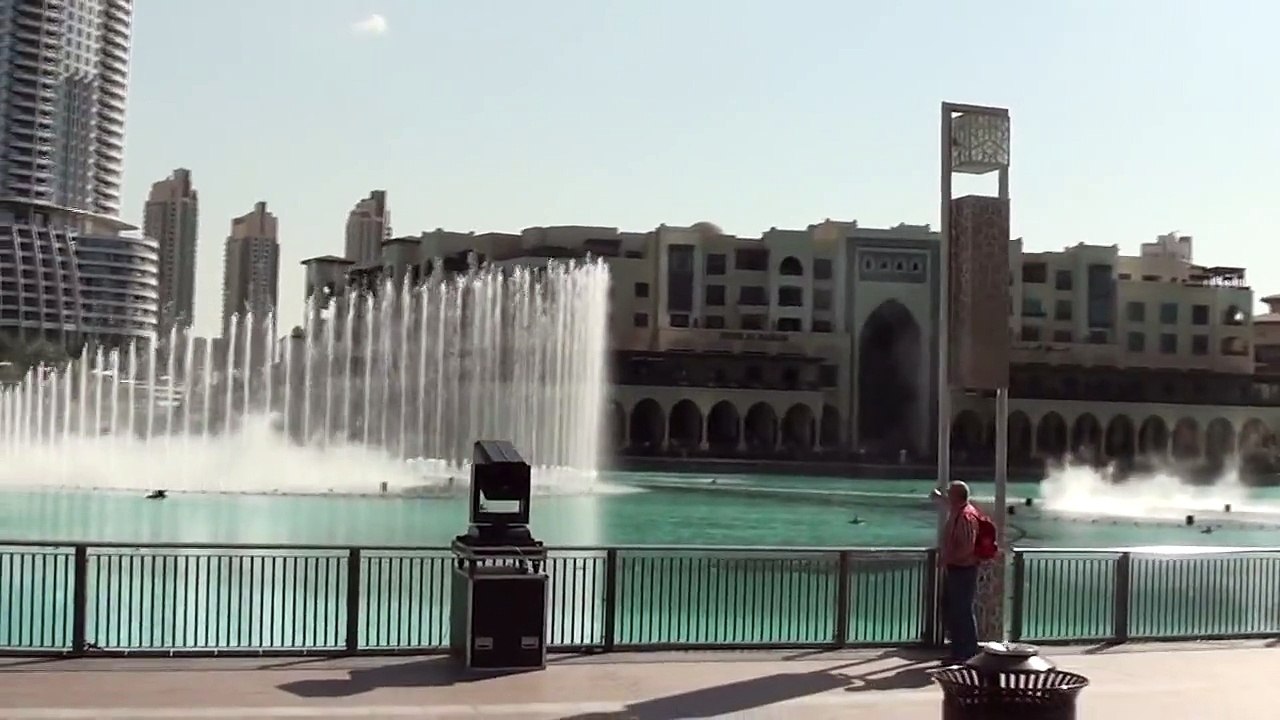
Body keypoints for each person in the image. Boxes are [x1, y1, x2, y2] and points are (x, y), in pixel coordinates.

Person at [932, 479, 980, 663]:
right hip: (957, 568)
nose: (947, 495)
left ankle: (966, 653)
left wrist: (948, 559)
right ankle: (958, 651)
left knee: (962, 611)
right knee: (953, 608)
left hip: (963, 569)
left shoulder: (966, 517)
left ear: (956, 496)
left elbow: (968, 547)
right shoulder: (958, 509)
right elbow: (950, 502)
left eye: (949, 492)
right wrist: (939, 498)